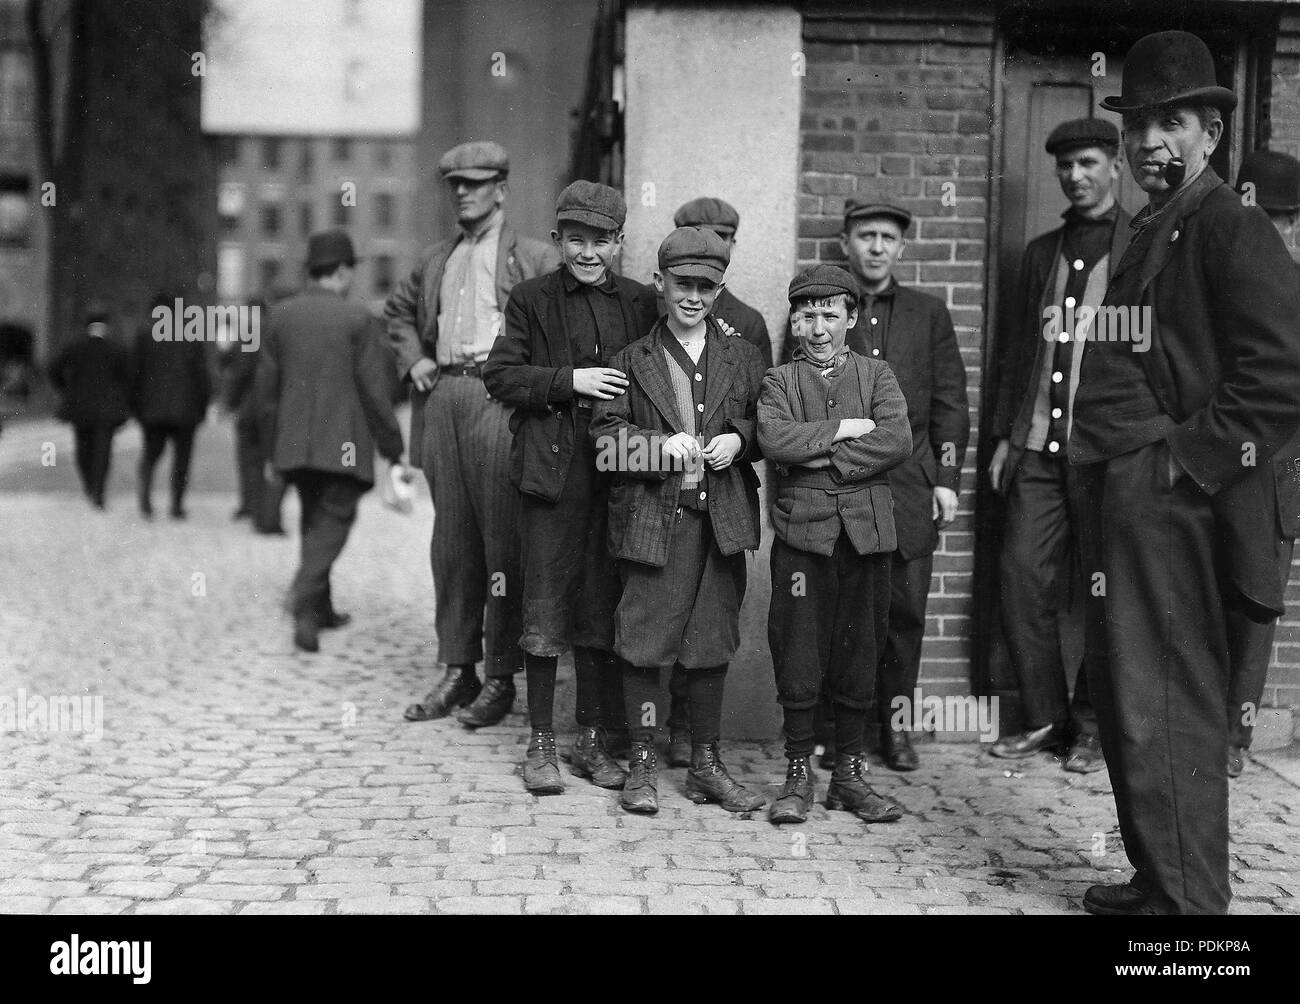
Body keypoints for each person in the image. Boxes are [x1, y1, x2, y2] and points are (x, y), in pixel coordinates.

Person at [1071, 31, 1300, 915]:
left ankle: (1191, 918)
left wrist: (1182, 464)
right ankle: (1158, 878)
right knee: (1133, 697)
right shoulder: (1151, 227)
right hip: (1123, 493)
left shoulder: (1230, 225)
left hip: (1169, 500)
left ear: (1211, 130)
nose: (1150, 143)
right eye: (1138, 125)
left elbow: (1280, 374)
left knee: (1168, 700)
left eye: (1172, 123)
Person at [779, 200, 968, 772]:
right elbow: (792, 416)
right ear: (846, 242)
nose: (878, 247)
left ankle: (896, 727)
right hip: (832, 489)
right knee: (839, 612)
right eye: (867, 235)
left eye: (889, 237)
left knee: (904, 611)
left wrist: (949, 477)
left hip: (909, 486)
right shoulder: (818, 314)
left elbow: (950, 401)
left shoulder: (928, 313)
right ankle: (836, 736)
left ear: (903, 247)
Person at [483, 180, 657, 794]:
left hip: (619, 480)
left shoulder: (641, 302)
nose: (588, 253)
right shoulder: (532, 298)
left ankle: (590, 740)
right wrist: (570, 380)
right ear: (558, 240)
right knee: (544, 606)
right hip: (551, 479)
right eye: (576, 241)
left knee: (600, 609)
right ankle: (540, 744)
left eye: (601, 242)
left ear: (620, 243)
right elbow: (500, 374)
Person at [591, 226, 768, 815]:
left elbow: (766, 426)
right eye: (683, 284)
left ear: (720, 288)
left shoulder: (742, 356)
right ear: (660, 284)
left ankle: (706, 764)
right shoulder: (632, 360)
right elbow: (605, 445)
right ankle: (643, 761)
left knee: (712, 641)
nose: (694, 296)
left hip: (719, 523)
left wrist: (737, 443)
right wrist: (658, 448)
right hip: (651, 523)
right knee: (644, 642)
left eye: (707, 286)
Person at [386, 141, 559, 727]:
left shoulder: (533, 257)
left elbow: (559, 323)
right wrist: (414, 362)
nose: (463, 191)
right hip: (444, 402)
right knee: (451, 545)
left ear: (501, 190)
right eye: (455, 183)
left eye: (476, 183)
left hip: (499, 402)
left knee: (501, 544)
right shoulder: (436, 259)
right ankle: (457, 669)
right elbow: (397, 313)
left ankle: (500, 676)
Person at [986, 119, 1131, 773]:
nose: (1076, 175)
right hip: (1037, 449)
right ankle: (1046, 716)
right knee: (1021, 576)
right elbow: (1018, 350)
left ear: (1115, 166)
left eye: (1089, 162)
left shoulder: (1143, 245)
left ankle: (1096, 726)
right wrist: (1002, 438)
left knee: (1110, 590)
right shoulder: (1042, 251)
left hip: (1107, 456)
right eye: (1066, 165)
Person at [759, 264, 912, 824]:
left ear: (852, 317)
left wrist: (818, 457)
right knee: (797, 647)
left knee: (860, 649)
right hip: (805, 535)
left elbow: (897, 439)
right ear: (794, 323)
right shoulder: (779, 382)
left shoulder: (878, 376)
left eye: (830, 315)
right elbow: (775, 439)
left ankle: (849, 775)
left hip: (868, 536)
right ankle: (798, 774)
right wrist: (850, 430)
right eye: (807, 317)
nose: (818, 328)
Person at [255, 229, 405, 653]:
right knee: (333, 523)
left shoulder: (280, 316)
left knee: (311, 520)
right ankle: (303, 601)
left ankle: (319, 609)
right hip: (343, 444)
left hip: (295, 446)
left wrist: (271, 451)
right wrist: (393, 447)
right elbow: (376, 392)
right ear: (341, 272)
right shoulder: (357, 319)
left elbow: (265, 394)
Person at [1225, 149, 1300, 778]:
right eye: (1257, 218)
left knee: (1255, 605)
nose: (1268, 232)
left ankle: (1234, 736)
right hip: (1218, 466)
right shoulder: (1221, 282)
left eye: (1280, 219)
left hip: (1280, 475)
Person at [222, 284, 295, 534]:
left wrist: (229, 402)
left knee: (249, 459)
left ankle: (252, 507)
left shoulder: (252, 333)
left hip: (249, 405)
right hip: (276, 405)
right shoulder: (282, 331)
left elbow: (239, 371)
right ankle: (268, 514)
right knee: (273, 461)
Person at [132, 292, 212, 520]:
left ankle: (145, 500)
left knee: (150, 454)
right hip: (186, 409)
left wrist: (135, 406)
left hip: (152, 408)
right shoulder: (190, 334)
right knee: (182, 459)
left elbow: (135, 372)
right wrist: (203, 406)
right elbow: (201, 376)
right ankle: (176, 505)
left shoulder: (144, 333)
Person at [48, 306, 132, 509]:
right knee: (103, 450)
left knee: (82, 448)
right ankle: (99, 491)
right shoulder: (118, 348)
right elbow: (128, 378)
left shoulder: (75, 346)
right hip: (107, 407)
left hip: (80, 406)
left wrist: (65, 389)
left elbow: (54, 369)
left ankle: (88, 484)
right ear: (107, 326)